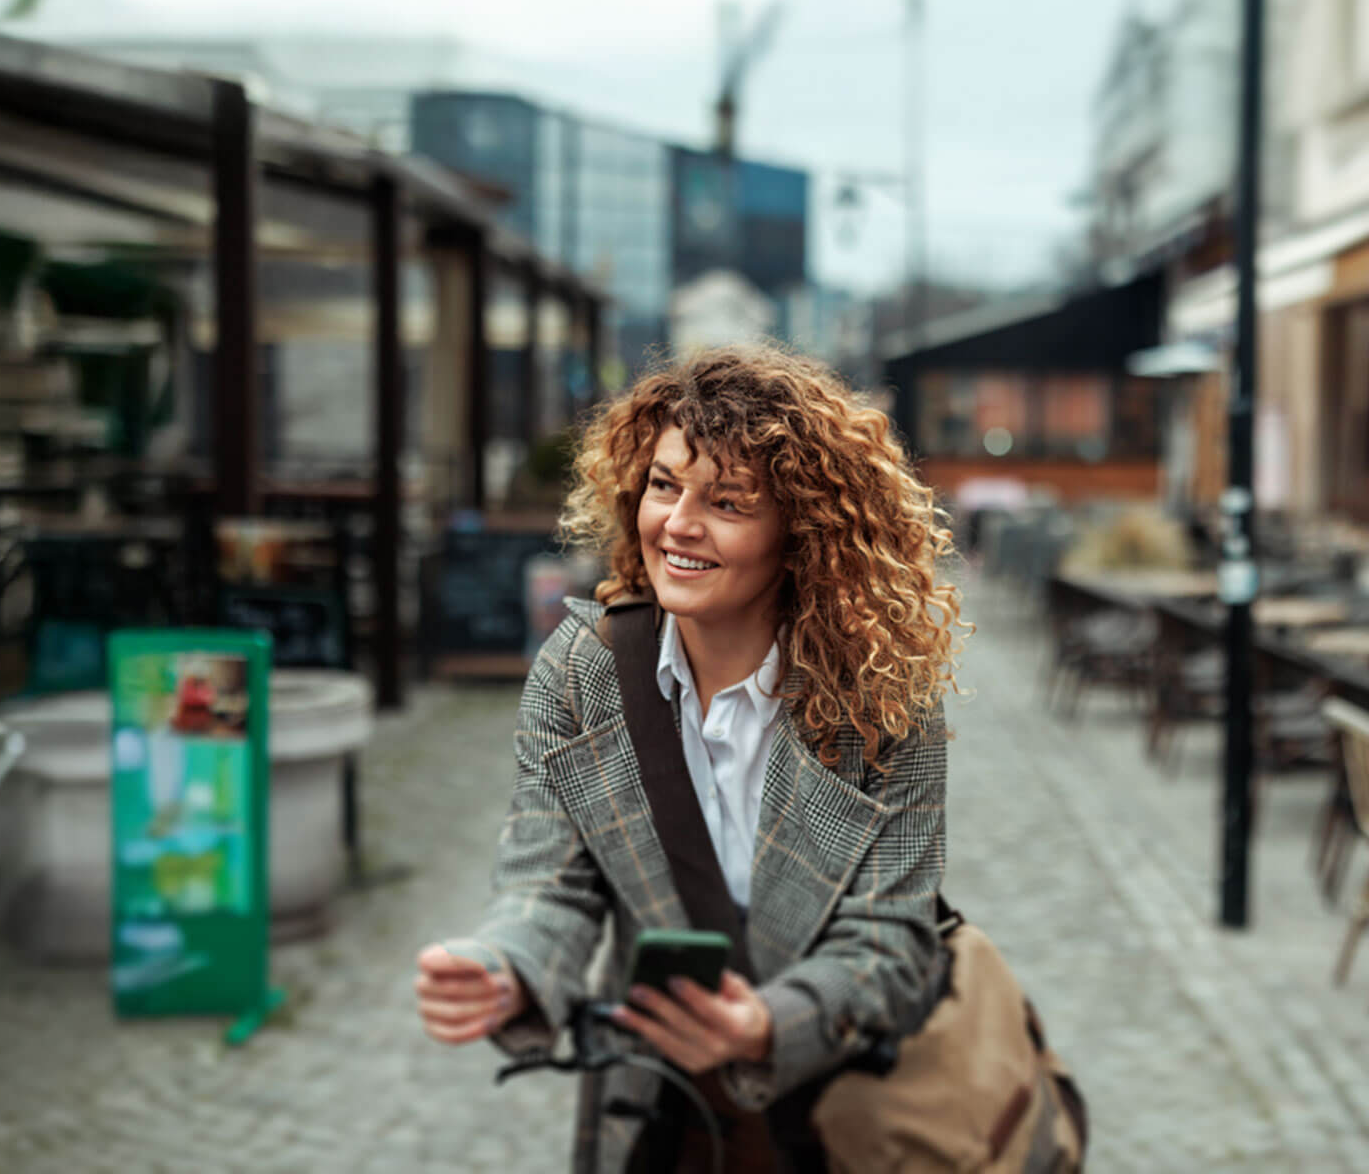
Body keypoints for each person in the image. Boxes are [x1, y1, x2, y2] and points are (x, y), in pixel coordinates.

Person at [414, 344, 967, 1172]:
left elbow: (892, 935)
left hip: (838, 1104)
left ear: (803, 530)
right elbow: (550, 882)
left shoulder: (882, 701)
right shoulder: (581, 672)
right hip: (654, 1102)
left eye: (728, 501)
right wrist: (508, 967)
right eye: (665, 485)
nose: (677, 523)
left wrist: (773, 1023)